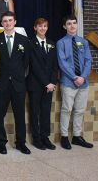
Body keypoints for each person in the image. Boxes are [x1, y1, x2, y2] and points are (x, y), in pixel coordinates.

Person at [0, 11, 31, 155]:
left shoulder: (24, 40)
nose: (8, 23)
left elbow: (26, 62)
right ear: (2, 23)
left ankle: (21, 143)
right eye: (5, 21)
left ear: (15, 22)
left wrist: (18, 75)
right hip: (1, 83)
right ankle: (1, 143)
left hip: (18, 84)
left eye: (10, 20)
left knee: (20, 115)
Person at [57, 14, 93, 150]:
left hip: (83, 82)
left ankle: (77, 136)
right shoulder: (61, 43)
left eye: (74, 23)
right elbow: (62, 63)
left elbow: (88, 61)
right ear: (64, 26)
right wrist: (74, 77)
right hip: (68, 82)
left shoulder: (83, 42)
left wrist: (82, 77)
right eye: (69, 23)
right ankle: (64, 136)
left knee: (80, 110)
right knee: (67, 109)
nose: (72, 26)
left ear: (77, 25)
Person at [27, 18, 58, 150]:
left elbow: (54, 66)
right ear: (35, 28)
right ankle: (37, 138)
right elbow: (34, 65)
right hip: (35, 84)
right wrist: (46, 82)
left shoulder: (51, 43)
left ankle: (45, 137)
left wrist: (52, 82)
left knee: (46, 112)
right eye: (40, 26)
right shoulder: (30, 43)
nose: (42, 28)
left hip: (49, 86)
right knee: (35, 112)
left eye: (45, 26)